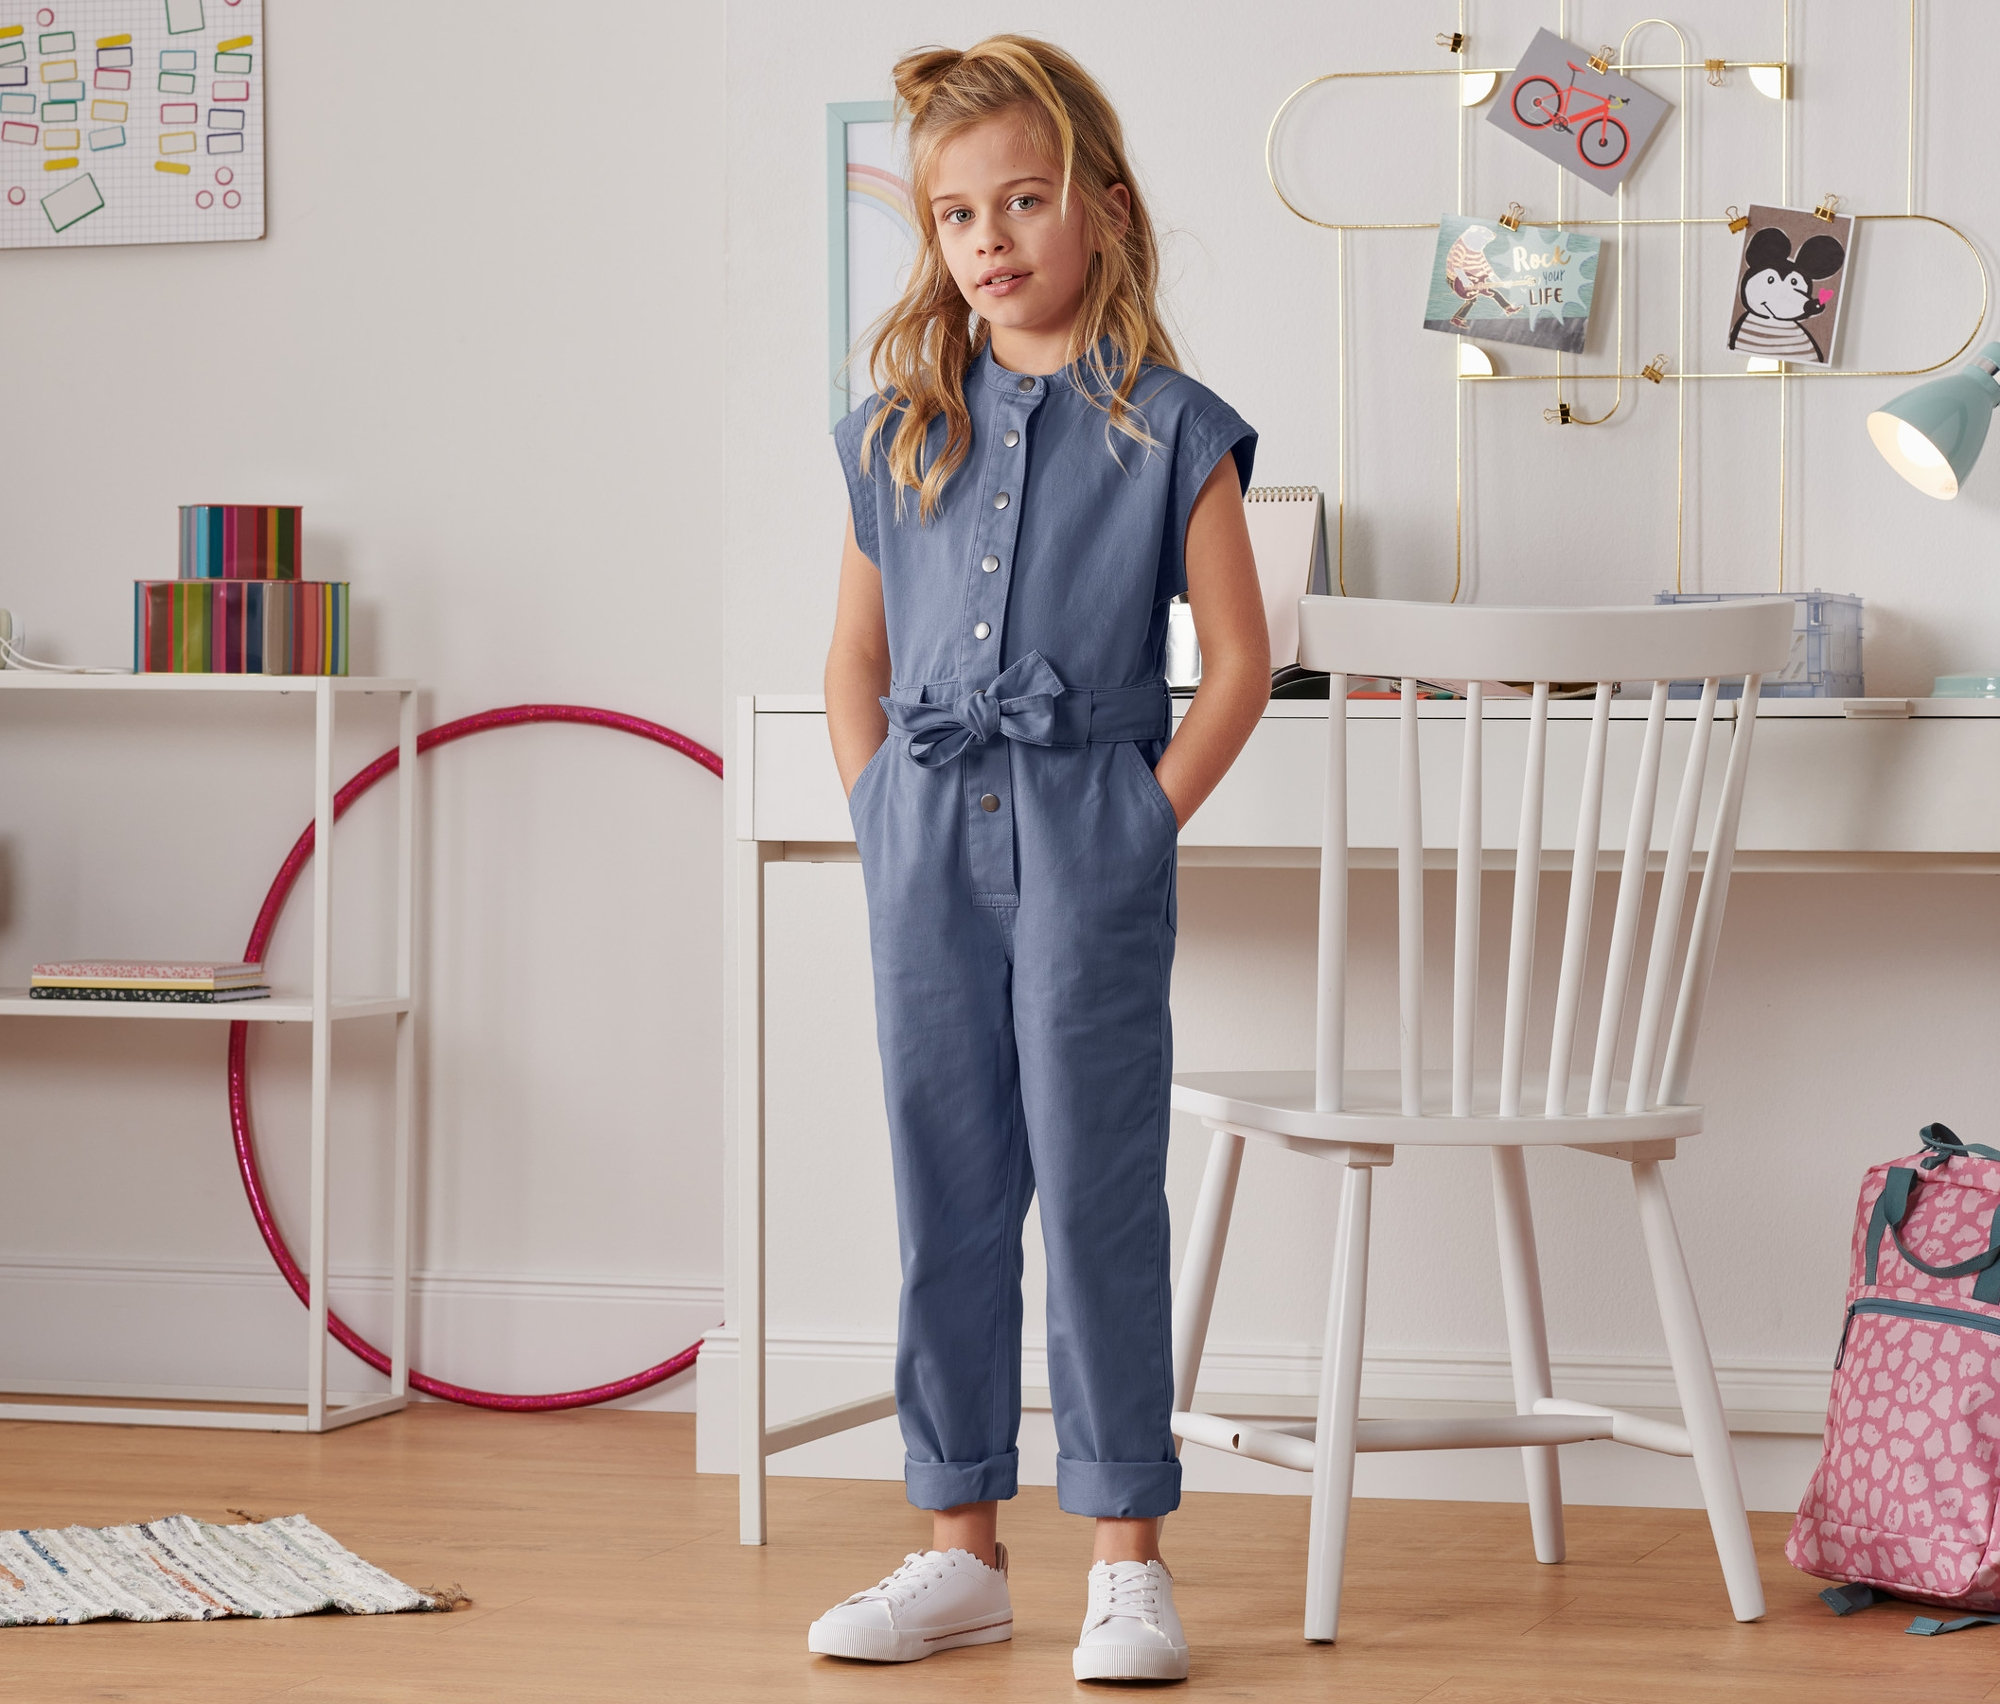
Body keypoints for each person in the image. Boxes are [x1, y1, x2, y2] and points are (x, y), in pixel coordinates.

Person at [811, 34, 1268, 1684]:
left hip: (1088, 834)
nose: (990, 239)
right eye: (954, 214)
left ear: (1102, 208)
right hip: (924, 838)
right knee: (947, 1192)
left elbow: (1238, 661)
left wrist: (1145, 812)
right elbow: (852, 661)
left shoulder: (1172, 426)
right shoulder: (893, 434)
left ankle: (1126, 1561)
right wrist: (875, 806)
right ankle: (958, 1550)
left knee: (1093, 1194)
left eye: (1022, 199)